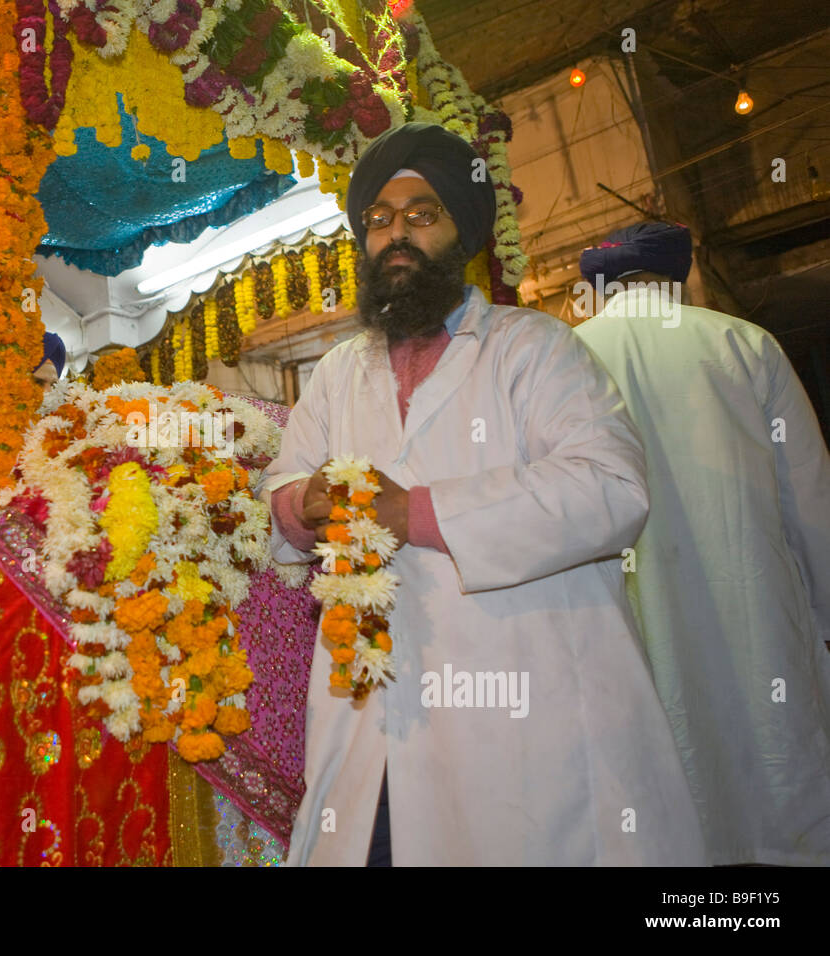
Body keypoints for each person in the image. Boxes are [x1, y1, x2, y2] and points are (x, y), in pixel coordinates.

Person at [261, 122, 704, 866]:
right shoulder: (338, 372)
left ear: (461, 234)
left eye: (421, 215)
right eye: (378, 221)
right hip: (370, 725)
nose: (396, 235)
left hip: (521, 721)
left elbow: (611, 486)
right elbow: (282, 485)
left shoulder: (534, 348)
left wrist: (418, 512)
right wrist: (300, 503)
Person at [573, 221, 830, 866]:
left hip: (627, 622)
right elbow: (811, 498)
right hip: (757, 613)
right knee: (775, 790)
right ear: (682, 275)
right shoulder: (746, 344)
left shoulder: (566, 356)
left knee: (666, 800)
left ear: (597, 287)